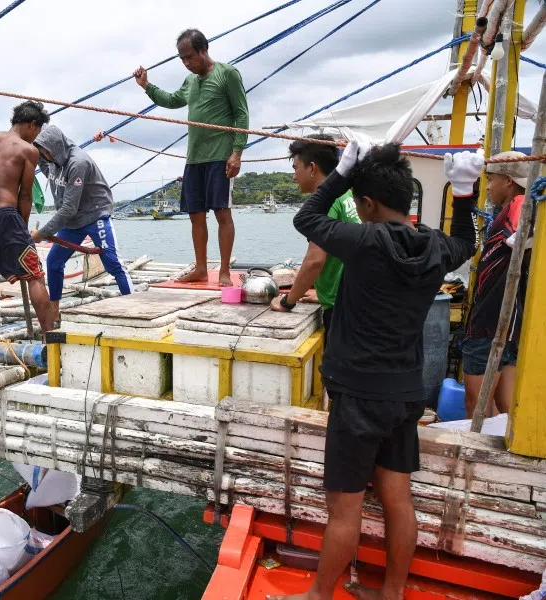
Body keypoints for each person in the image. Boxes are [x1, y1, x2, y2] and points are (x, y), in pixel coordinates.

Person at [269, 141, 477, 600]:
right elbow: (465, 241)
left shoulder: (363, 242)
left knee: (344, 509)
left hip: (359, 395)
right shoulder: (434, 246)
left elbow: (307, 220)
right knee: (398, 500)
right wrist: (463, 192)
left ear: (367, 203)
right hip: (405, 395)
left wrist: (340, 172)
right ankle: (393, 595)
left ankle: (319, 595)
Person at [133, 28, 249, 287]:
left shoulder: (227, 74)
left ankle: (224, 272)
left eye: (189, 57)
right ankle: (200, 268)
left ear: (203, 51)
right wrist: (147, 86)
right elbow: (172, 100)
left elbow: (242, 114)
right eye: (182, 59)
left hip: (221, 156)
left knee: (222, 212)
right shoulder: (190, 81)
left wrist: (237, 153)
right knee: (195, 215)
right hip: (194, 158)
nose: (186, 63)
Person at [30, 124, 133, 318]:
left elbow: (68, 208)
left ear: (56, 147)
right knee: (54, 261)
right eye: (42, 153)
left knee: (113, 263)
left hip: (96, 214)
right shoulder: (49, 160)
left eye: (47, 152)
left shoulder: (78, 163)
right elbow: (36, 154)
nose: (45, 157)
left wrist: (41, 234)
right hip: (73, 221)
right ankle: (55, 312)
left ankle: (134, 307)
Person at [0, 100, 54, 336]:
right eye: (37, 131)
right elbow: (26, 196)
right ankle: (50, 337)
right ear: (31, 124)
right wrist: (22, 227)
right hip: (5, 216)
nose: (36, 136)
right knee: (35, 276)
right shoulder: (28, 151)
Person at [270, 135, 360, 345]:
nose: (294, 176)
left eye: (295, 168)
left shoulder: (325, 203)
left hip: (342, 308)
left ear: (312, 168)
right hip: (353, 298)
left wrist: (288, 301)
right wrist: (322, 293)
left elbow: (315, 260)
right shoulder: (346, 196)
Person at [462, 151, 531, 418]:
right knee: (506, 407)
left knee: (476, 407)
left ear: (509, 180)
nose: (489, 186)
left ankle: (477, 458)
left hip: (489, 323)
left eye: (492, 179)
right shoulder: (509, 208)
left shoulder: (519, 202)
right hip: (510, 324)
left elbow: (520, 231)